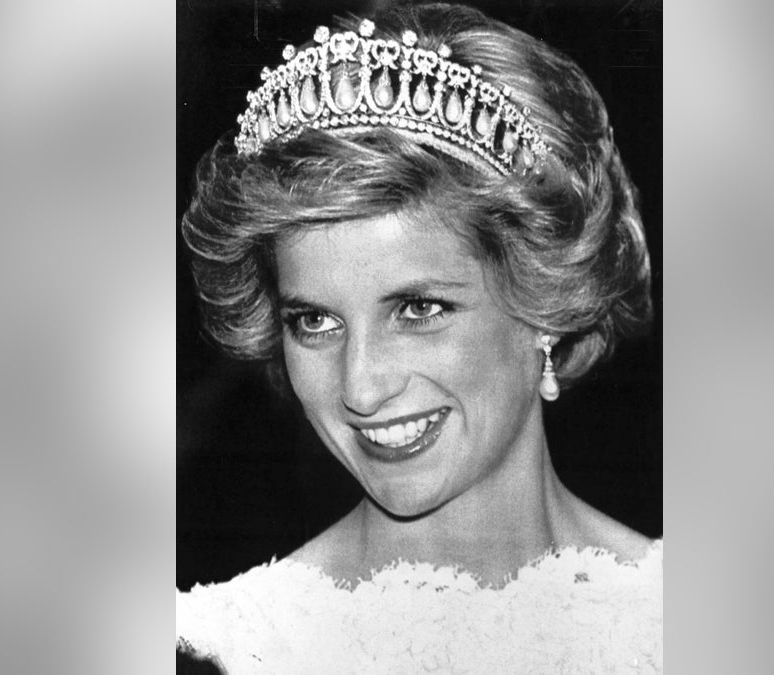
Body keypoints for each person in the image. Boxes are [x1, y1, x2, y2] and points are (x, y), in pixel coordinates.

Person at [177, 2, 661, 672]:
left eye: (418, 308)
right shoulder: (225, 652)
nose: (361, 387)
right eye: (314, 321)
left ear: (546, 301)